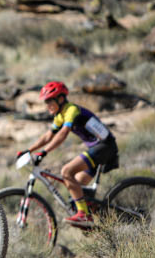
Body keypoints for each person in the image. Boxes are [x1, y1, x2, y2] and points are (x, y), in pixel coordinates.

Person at [18, 81, 119, 227]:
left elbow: (63, 134)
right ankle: (95, 221)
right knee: (75, 189)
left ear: (60, 99)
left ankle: (84, 216)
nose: (47, 105)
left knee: (66, 172)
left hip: (104, 147)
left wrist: (44, 152)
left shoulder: (71, 110)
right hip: (97, 148)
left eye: (49, 101)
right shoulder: (60, 115)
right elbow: (48, 136)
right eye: (45, 102)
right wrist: (29, 150)